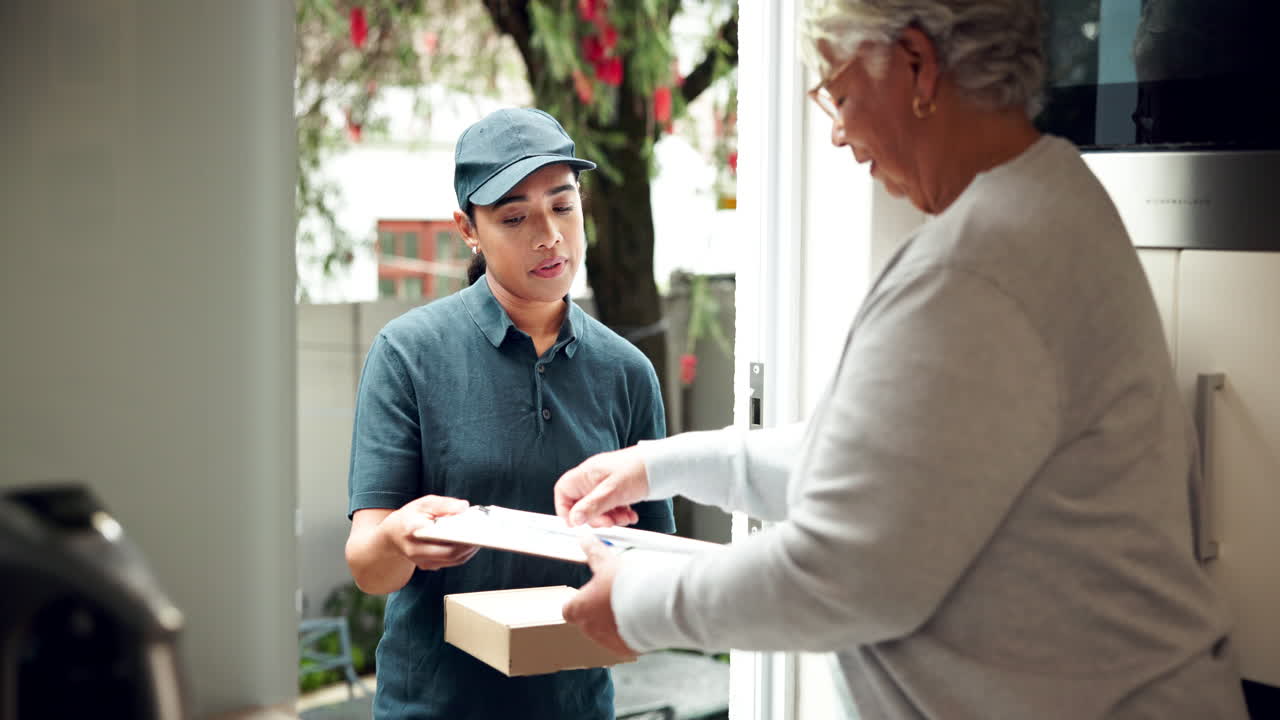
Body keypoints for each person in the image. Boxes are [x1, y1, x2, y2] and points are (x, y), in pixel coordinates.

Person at [553, 1, 1251, 717]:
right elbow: (889, 471)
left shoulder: (981, 264)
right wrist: (656, 466)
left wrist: (637, 602)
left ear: (917, 63)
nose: (838, 134)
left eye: (841, 93)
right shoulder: (1047, 198)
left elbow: (844, 573)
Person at [344, 107, 675, 719]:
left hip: (575, 704)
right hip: (436, 705)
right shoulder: (408, 354)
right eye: (514, 217)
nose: (547, 235)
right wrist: (400, 537)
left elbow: (653, 559)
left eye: (563, 204)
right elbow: (368, 564)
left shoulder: (627, 371)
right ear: (467, 228)